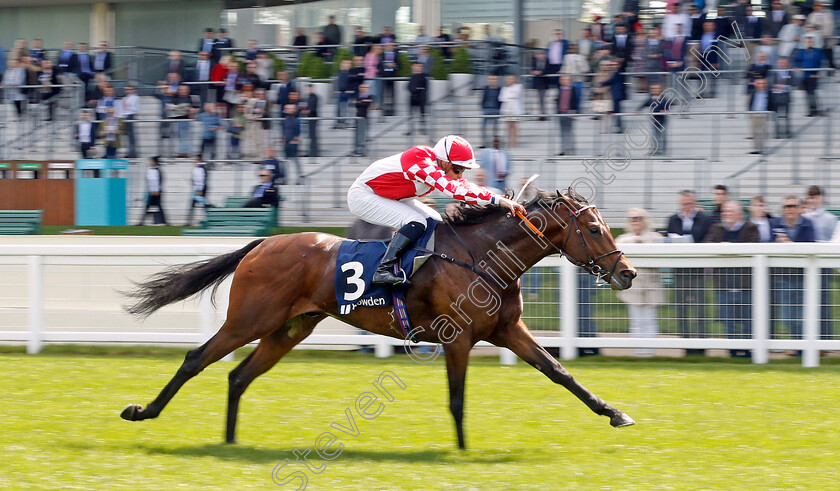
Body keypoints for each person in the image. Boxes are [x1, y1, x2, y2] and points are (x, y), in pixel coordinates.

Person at [346, 135, 525, 286]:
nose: (460, 174)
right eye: (458, 168)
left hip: (387, 196)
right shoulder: (421, 159)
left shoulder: (439, 165)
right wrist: (496, 200)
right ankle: (383, 270)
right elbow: (454, 190)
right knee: (417, 222)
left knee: (434, 221)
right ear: (444, 162)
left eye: (464, 169)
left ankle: (417, 267)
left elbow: (464, 186)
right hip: (363, 195)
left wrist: (500, 200)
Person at [704, 201, 759, 357]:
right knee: (728, 318)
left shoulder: (750, 227)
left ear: (739, 213)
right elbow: (707, 244)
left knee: (748, 317)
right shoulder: (716, 228)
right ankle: (733, 349)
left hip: (746, 282)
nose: (725, 214)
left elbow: (752, 245)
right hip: (723, 282)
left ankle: (748, 349)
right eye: (724, 211)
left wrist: (730, 246)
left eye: (729, 211)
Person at [666, 190, 713, 355]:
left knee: (700, 308)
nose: (687, 207)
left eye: (690, 204)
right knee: (681, 308)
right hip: (679, 270)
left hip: (698, 270)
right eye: (685, 204)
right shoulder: (673, 219)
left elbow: (706, 238)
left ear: (694, 203)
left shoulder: (704, 219)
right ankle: (686, 343)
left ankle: (701, 344)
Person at [616, 208, 664, 357]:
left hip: (651, 285)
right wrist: (637, 241)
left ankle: (649, 353)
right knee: (636, 320)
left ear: (645, 220)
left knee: (649, 320)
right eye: (632, 218)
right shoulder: (623, 239)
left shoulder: (656, 238)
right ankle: (639, 353)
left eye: (639, 218)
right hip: (633, 286)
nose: (636, 221)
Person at [770, 196, 816, 341]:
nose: (789, 209)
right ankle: (799, 342)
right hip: (783, 277)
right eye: (786, 206)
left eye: (792, 206)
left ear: (800, 208)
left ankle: (803, 345)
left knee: (804, 313)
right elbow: (767, 245)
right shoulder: (775, 223)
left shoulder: (808, 224)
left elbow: (811, 247)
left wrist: (790, 244)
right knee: (787, 316)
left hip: (803, 276)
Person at [804, 185, 838, 339]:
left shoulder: (830, 218)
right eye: (810, 197)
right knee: (805, 302)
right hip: (806, 265)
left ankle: (825, 339)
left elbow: (834, 241)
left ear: (821, 198)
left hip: (823, 265)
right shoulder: (803, 216)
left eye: (815, 197)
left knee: (823, 303)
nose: (813, 200)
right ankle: (808, 338)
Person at [795, 35, 824, 117]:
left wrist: (818, 73)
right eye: (808, 41)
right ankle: (811, 111)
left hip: (813, 76)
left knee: (812, 93)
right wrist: (797, 67)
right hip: (804, 76)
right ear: (805, 42)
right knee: (807, 94)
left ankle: (815, 110)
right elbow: (797, 61)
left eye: (811, 41)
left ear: (813, 42)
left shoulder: (818, 51)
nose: (809, 43)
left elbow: (821, 62)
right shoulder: (802, 52)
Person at [636, 82, 666, 155]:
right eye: (652, 89)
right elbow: (643, 104)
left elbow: (669, 104)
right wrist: (637, 110)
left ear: (660, 90)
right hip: (654, 120)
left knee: (662, 135)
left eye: (656, 89)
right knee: (654, 135)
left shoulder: (663, 99)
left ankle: (663, 150)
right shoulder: (650, 99)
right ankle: (654, 150)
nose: (654, 90)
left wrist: (666, 110)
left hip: (662, 120)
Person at [137, 156, 168, 226]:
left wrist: (156, 190)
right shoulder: (149, 170)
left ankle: (164, 221)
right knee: (148, 207)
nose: (150, 162)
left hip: (156, 192)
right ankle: (142, 221)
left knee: (157, 207)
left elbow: (158, 181)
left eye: (152, 161)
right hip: (151, 191)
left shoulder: (158, 170)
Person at [599, 59, 626, 133]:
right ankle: (616, 127)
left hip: (616, 95)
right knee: (613, 112)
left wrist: (601, 84)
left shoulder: (618, 73)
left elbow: (612, 80)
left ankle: (619, 128)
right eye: (612, 65)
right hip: (612, 95)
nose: (613, 66)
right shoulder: (612, 73)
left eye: (615, 65)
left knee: (617, 112)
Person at [770, 58, 793, 139]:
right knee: (776, 116)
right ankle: (777, 133)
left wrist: (782, 86)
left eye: (784, 62)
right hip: (776, 97)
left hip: (786, 96)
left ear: (787, 63)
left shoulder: (790, 73)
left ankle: (787, 132)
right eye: (781, 62)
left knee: (786, 116)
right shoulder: (775, 73)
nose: (782, 64)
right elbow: (772, 84)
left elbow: (792, 84)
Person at [556, 75, 579, 155]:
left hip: (569, 112)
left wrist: (574, 112)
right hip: (560, 113)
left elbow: (575, 101)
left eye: (567, 79)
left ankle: (571, 150)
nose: (565, 81)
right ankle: (564, 150)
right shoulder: (560, 89)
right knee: (562, 132)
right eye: (563, 79)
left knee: (569, 132)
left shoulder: (573, 89)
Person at [499, 74, 523, 148]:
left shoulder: (518, 87)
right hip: (507, 108)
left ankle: (514, 142)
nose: (509, 80)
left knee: (514, 125)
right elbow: (501, 98)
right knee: (509, 126)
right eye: (508, 79)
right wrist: (508, 97)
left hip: (515, 108)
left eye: (511, 79)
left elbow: (515, 95)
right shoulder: (504, 88)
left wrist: (507, 97)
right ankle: (509, 142)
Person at [185, 156, 210, 227]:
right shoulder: (195, 168)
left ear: (200, 160)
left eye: (196, 159)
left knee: (203, 205)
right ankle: (188, 221)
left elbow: (202, 180)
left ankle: (209, 219)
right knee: (193, 205)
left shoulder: (202, 169)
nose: (194, 161)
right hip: (196, 189)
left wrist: (200, 190)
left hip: (200, 189)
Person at [281, 103, 302, 183]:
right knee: (286, 161)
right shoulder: (285, 120)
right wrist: (283, 139)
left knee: (295, 161)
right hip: (286, 142)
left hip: (293, 143)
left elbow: (298, 132)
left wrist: (295, 140)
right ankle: (285, 178)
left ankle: (299, 177)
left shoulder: (296, 121)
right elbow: (284, 131)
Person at [748, 77, 770, 155]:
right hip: (754, 113)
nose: (761, 85)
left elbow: (771, 103)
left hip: (764, 114)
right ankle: (756, 148)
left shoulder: (768, 93)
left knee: (763, 132)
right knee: (755, 132)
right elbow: (750, 102)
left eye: (763, 83)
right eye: (759, 83)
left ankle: (762, 148)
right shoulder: (753, 92)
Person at [480, 74, 502, 148]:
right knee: (483, 127)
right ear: (488, 80)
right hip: (486, 109)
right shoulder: (486, 89)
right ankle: (484, 144)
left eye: (494, 79)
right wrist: (483, 107)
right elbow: (483, 99)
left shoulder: (499, 89)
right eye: (491, 79)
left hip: (495, 109)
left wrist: (499, 109)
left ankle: (495, 144)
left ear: (497, 80)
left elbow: (501, 100)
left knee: (495, 128)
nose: (493, 81)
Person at [406, 63, 428, 136]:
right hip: (413, 97)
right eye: (417, 66)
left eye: (420, 66)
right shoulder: (412, 76)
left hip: (421, 97)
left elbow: (425, 88)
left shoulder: (423, 77)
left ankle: (423, 129)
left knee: (422, 114)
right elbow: (409, 86)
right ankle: (410, 130)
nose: (419, 68)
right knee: (411, 115)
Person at [379, 43, 400, 116]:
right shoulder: (383, 55)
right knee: (384, 94)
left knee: (392, 94)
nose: (391, 47)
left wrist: (394, 65)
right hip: (384, 76)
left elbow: (398, 66)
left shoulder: (396, 55)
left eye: (392, 45)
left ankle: (392, 110)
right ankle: (384, 111)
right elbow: (380, 65)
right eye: (389, 45)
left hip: (392, 76)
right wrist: (386, 65)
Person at [354, 83, 373, 156]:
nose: (365, 89)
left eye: (366, 87)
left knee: (364, 134)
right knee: (358, 134)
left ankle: (362, 150)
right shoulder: (358, 96)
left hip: (365, 117)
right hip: (358, 116)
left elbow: (366, 104)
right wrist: (362, 102)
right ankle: (357, 150)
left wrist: (360, 102)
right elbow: (356, 104)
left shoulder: (369, 96)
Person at [530, 51, 550, 118]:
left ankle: (543, 114)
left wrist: (540, 72)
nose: (539, 56)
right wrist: (534, 72)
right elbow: (532, 70)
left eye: (541, 54)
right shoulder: (534, 61)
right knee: (538, 99)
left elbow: (548, 70)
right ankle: (541, 113)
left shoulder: (547, 61)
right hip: (537, 83)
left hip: (544, 83)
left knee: (542, 99)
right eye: (538, 54)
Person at [301, 84, 319, 157]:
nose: (309, 90)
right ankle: (311, 151)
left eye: (310, 88)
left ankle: (313, 152)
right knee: (311, 136)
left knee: (313, 136)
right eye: (308, 88)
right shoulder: (307, 97)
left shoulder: (314, 97)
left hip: (313, 117)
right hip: (309, 118)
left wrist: (308, 111)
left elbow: (314, 108)